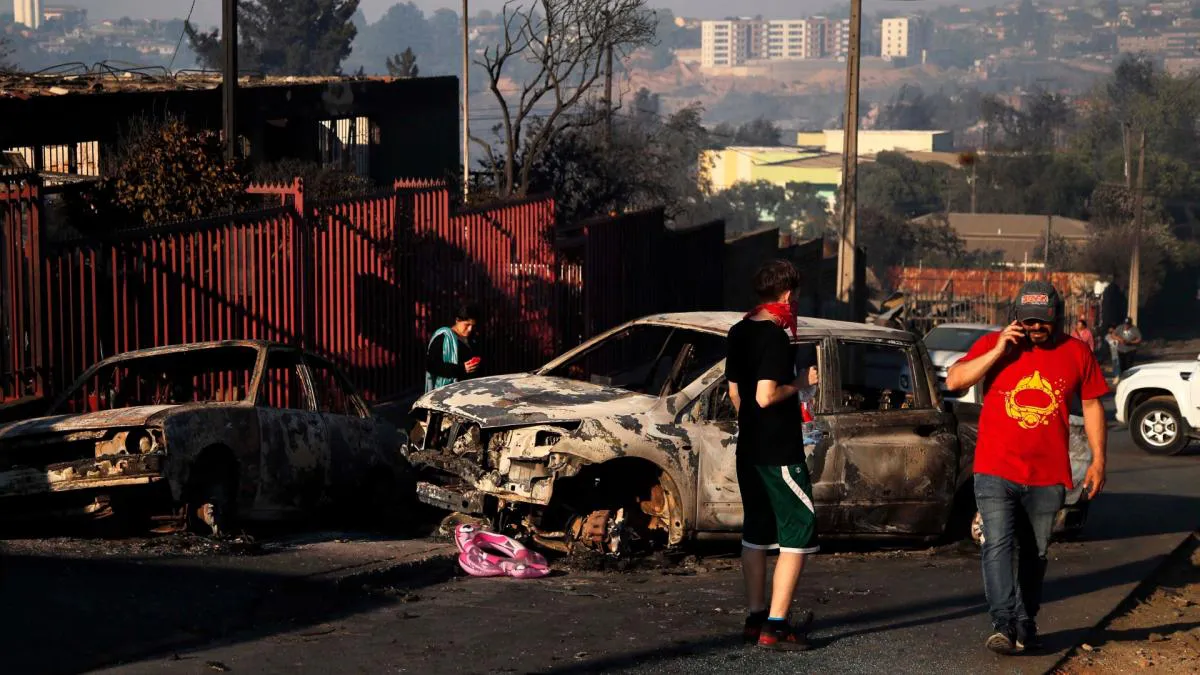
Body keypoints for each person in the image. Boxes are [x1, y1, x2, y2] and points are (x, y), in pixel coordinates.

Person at [946, 280, 1108, 656]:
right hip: (994, 467)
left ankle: (1026, 620)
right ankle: (1004, 624)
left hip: (1048, 473)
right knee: (997, 544)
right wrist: (998, 350)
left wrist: (1099, 460)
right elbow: (955, 381)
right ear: (1016, 318)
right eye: (1029, 321)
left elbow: (1093, 405)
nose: (1036, 329)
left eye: (1044, 322)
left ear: (1059, 318)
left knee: (1035, 552)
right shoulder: (994, 344)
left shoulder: (1077, 352)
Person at [725, 260, 820, 652]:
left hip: (748, 448)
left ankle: (755, 617)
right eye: (794, 296)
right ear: (786, 296)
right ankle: (776, 626)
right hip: (779, 451)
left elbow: (737, 395)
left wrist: (753, 424)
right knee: (799, 530)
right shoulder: (776, 338)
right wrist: (799, 383)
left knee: (757, 533)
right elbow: (765, 396)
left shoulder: (738, 330)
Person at [424, 303, 481, 392]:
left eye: (473, 326)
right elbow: (431, 365)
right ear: (457, 320)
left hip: (469, 390)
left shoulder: (472, 338)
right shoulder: (443, 337)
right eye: (467, 324)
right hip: (448, 391)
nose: (470, 329)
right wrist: (462, 369)